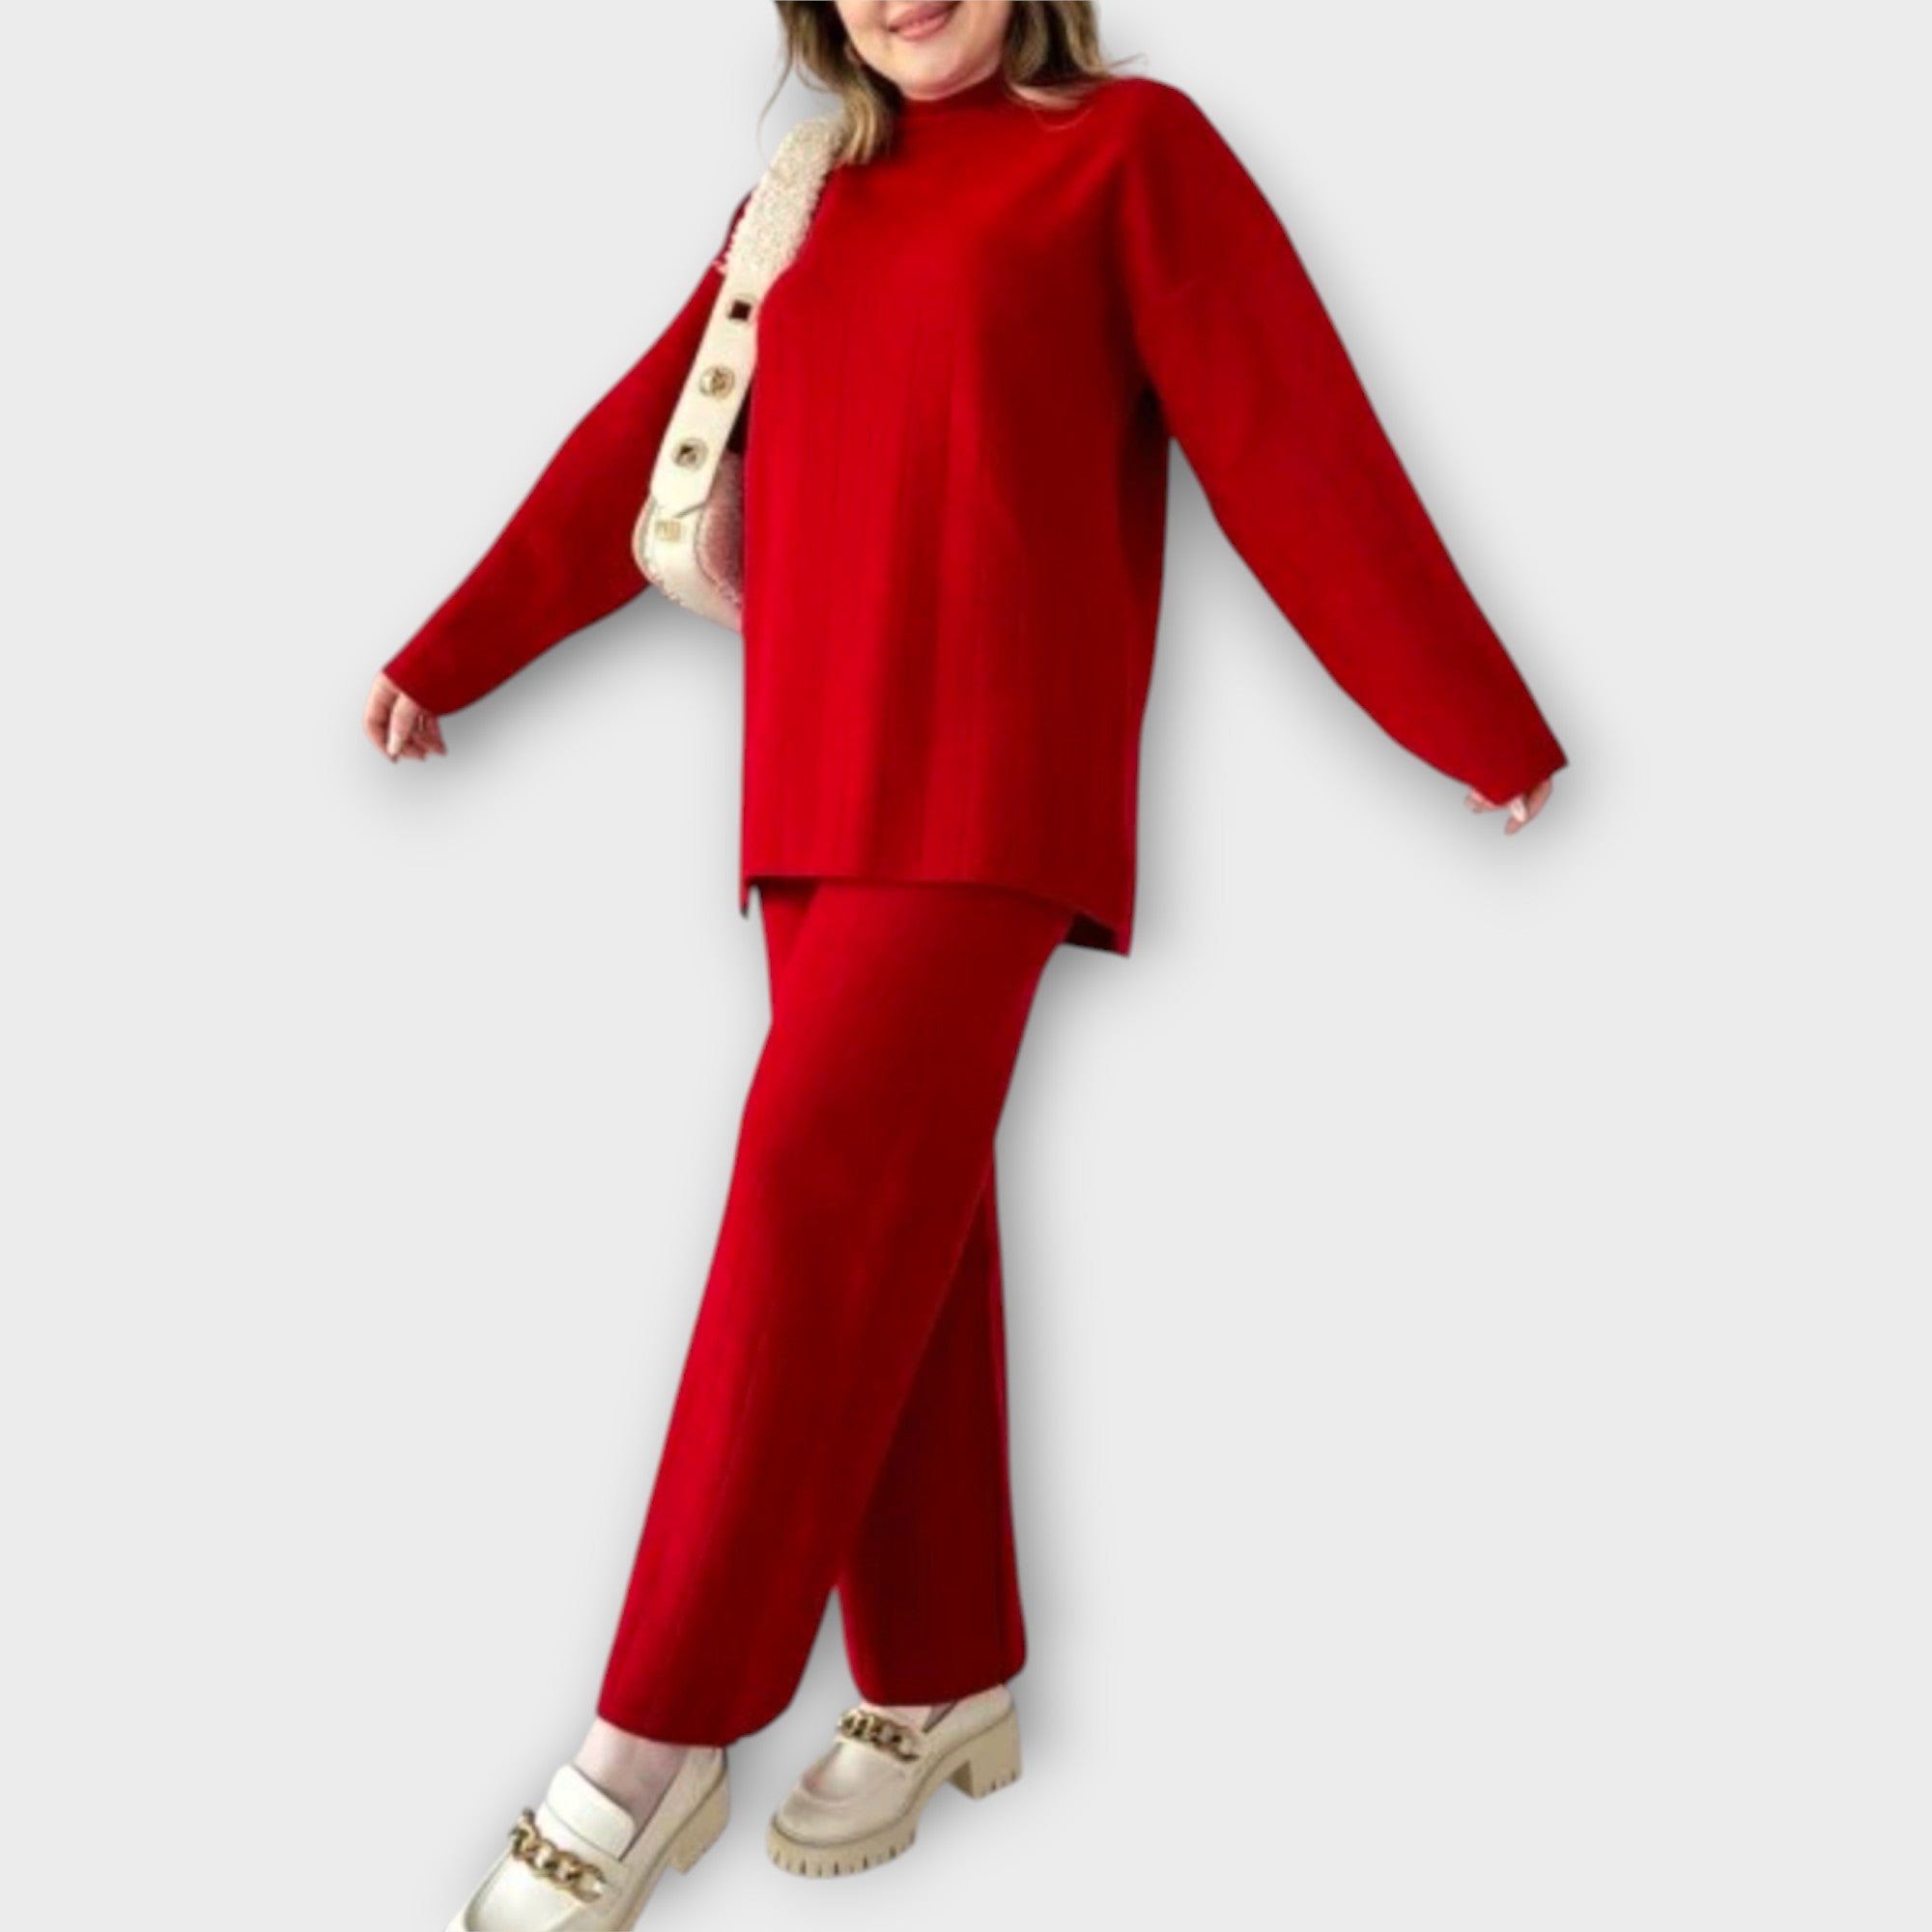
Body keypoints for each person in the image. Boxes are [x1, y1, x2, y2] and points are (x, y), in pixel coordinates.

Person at [363, 4, 1569, 1925]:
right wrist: (453, 650)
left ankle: (651, 1740)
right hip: (805, 798)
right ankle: (941, 1672)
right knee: (905, 1224)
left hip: (993, 785)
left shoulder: (1131, 155)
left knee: (811, 1190)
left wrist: (1471, 717)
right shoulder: (809, 192)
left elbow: (1293, 440)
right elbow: (643, 435)